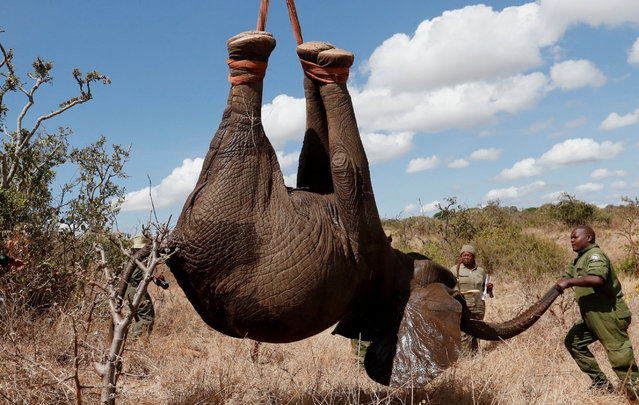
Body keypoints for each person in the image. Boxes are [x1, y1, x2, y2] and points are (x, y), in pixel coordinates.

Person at [557, 225, 639, 396]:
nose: (571, 240)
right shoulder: (579, 259)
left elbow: (597, 279)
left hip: (608, 314)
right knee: (573, 342)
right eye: (570, 238)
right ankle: (602, 384)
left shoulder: (595, 255)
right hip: (591, 317)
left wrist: (570, 282)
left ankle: (635, 396)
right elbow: (567, 277)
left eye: (575, 237)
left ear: (588, 238)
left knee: (621, 360)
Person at [449, 244, 493, 356]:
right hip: (463, 306)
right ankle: (464, 359)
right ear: (461, 256)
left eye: (469, 255)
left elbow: (482, 289)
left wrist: (488, 288)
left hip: (478, 305)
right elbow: (449, 288)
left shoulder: (480, 271)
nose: (467, 257)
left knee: (477, 330)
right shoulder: (455, 270)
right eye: (464, 255)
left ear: (473, 257)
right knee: (464, 333)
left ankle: (475, 356)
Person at [125, 234, 169, 339]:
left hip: (128, 290)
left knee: (139, 317)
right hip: (136, 290)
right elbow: (145, 275)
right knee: (148, 319)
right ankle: (129, 338)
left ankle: (140, 341)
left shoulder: (132, 258)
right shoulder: (142, 260)